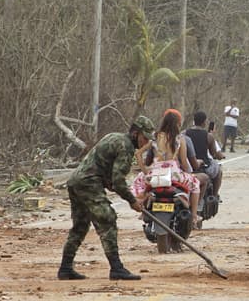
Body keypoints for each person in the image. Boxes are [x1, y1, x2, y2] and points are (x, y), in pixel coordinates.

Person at [59, 115, 154, 281]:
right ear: (135, 133)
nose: (145, 142)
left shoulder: (114, 137)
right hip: (89, 183)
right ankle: (116, 268)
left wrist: (118, 188)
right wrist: (132, 201)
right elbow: (118, 181)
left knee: (80, 226)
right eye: (144, 138)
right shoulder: (126, 147)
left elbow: (107, 173)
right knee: (107, 219)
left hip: (76, 182)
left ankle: (65, 268)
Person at [131, 109, 201, 215]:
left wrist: (145, 171)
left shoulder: (155, 137)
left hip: (155, 174)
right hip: (174, 175)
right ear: (177, 124)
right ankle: (194, 216)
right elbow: (184, 163)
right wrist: (189, 174)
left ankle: (144, 211)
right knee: (195, 184)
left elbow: (138, 154)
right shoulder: (179, 139)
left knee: (140, 184)